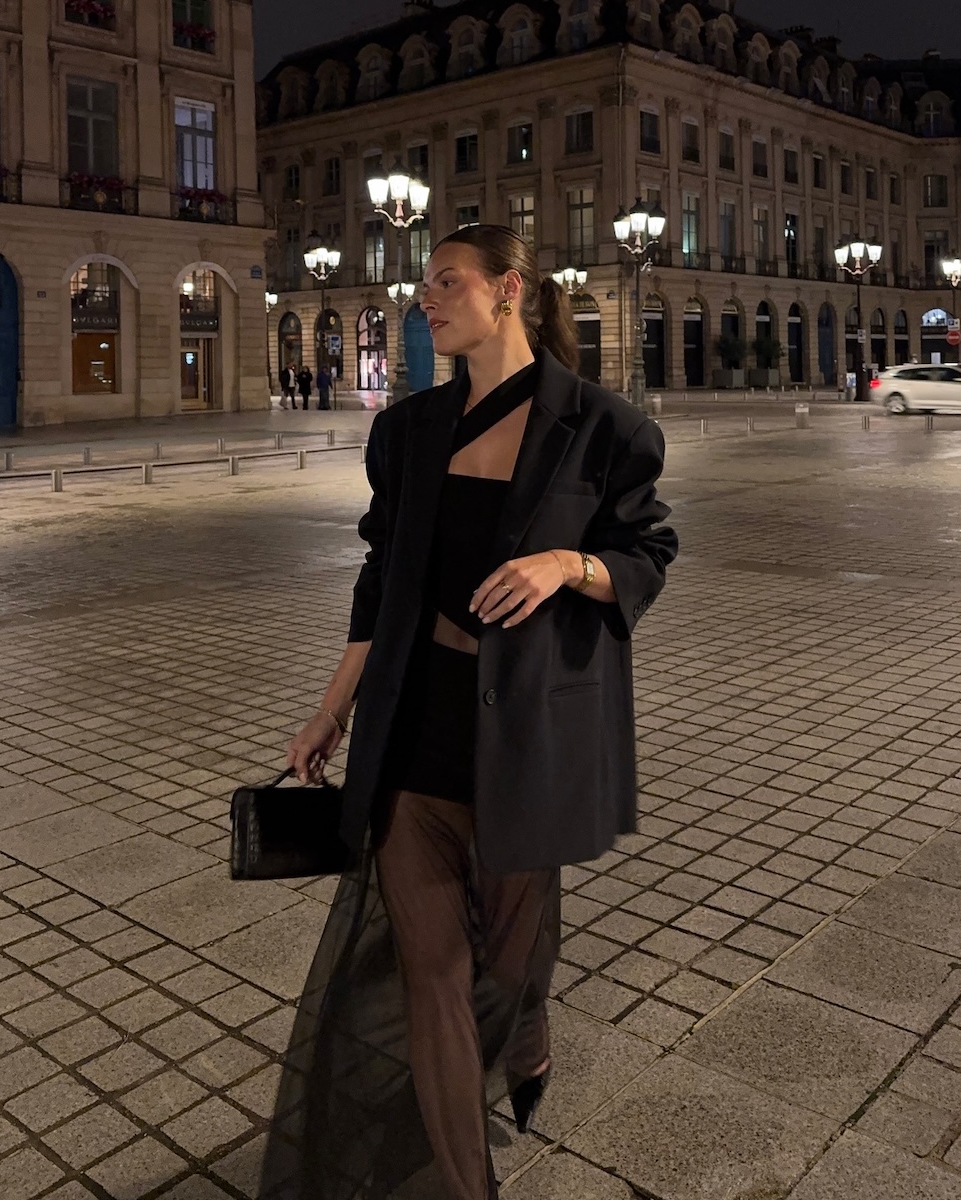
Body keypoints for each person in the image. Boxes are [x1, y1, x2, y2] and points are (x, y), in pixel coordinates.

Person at [268, 224, 677, 1200]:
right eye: (423, 286)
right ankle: (466, 1186)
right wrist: (331, 710)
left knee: (510, 957)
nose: (426, 299)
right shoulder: (406, 433)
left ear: (510, 292)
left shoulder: (604, 429)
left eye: (446, 281)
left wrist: (568, 565)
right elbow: (384, 582)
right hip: (412, 731)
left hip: (531, 737)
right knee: (434, 980)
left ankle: (530, 1023)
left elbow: (648, 553)